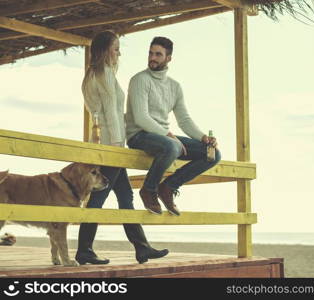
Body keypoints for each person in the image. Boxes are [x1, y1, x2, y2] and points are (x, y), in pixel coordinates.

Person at [76, 30, 168, 265]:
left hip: (106, 143)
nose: (119, 53)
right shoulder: (104, 73)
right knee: (98, 197)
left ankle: (142, 247)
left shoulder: (92, 75)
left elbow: (105, 114)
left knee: (125, 196)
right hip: (112, 145)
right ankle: (84, 249)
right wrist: (119, 147)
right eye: (116, 48)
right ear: (106, 50)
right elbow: (110, 114)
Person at [126, 36, 221, 216]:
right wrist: (169, 136)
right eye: (150, 53)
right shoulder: (139, 80)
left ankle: (168, 187)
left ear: (168, 58)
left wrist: (204, 138)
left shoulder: (175, 87)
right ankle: (149, 189)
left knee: (212, 154)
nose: (152, 58)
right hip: (139, 135)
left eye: (158, 54)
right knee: (172, 146)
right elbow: (141, 118)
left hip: (163, 137)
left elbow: (184, 120)